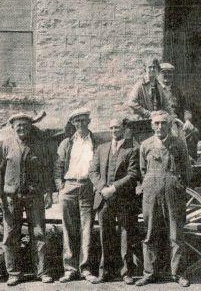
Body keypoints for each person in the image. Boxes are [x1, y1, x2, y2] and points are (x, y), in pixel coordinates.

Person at [0, 113, 55, 286]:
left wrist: (48, 192)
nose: (22, 128)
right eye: (18, 125)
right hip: (11, 197)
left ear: (31, 126)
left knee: (39, 233)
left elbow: (47, 170)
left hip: (34, 196)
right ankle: (14, 273)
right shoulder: (6, 145)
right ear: (13, 127)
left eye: (25, 125)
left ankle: (42, 271)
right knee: (11, 235)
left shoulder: (39, 145)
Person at [135, 110, 191, 288]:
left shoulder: (178, 144)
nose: (160, 127)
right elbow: (143, 170)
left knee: (175, 234)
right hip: (151, 193)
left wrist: (177, 185)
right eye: (156, 123)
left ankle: (178, 274)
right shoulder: (145, 145)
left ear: (169, 125)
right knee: (150, 233)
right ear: (152, 125)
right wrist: (150, 184)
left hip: (172, 193)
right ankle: (149, 273)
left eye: (163, 123)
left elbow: (187, 171)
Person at [88, 118, 140, 285]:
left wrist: (114, 188)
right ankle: (105, 272)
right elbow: (93, 171)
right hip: (104, 199)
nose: (113, 130)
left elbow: (133, 175)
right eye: (111, 127)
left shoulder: (132, 149)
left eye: (117, 127)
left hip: (124, 199)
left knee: (126, 235)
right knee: (105, 235)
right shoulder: (101, 148)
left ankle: (126, 272)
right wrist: (103, 188)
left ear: (124, 129)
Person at [54, 108, 99, 283]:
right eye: (76, 121)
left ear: (89, 121)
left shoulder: (96, 142)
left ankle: (85, 269)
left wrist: (96, 186)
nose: (80, 124)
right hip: (69, 186)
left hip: (87, 186)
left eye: (83, 120)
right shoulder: (66, 143)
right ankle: (70, 269)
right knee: (69, 228)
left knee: (86, 228)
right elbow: (58, 166)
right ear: (73, 124)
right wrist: (61, 187)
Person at [159, 62, 199, 161]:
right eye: (164, 72)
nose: (167, 75)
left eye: (170, 73)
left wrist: (188, 120)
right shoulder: (156, 90)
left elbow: (186, 108)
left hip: (176, 123)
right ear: (159, 74)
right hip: (162, 123)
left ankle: (190, 160)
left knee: (193, 131)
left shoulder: (177, 91)